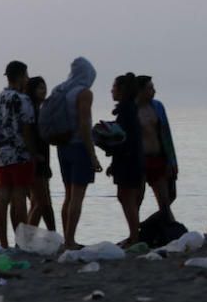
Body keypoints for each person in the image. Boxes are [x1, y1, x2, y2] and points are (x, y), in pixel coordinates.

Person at [55, 57, 102, 250]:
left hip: (62, 146)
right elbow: (84, 124)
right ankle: (70, 240)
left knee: (68, 195)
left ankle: (67, 238)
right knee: (77, 196)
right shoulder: (84, 93)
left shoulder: (61, 90)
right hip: (78, 147)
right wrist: (93, 155)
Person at [0, 60, 36, 249]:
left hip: (1, 154)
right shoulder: (22, 100)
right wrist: (33, 153)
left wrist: (0, 147)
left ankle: (3, 243)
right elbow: (27, 129)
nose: (28, 79)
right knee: (19, 197)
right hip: (19, 153)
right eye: (26, 75)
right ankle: (22, 242)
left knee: (3, 198)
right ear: (20, 76)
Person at [100, 73, 144, 247]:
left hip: (129, 161)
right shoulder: (129, 109)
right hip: (130, 160)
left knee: (127, 198)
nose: (111, 90)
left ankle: (134, 236)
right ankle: (133, 235)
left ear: (122, 90)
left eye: (114, 87)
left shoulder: (126, 110)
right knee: (127, 197)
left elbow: (124, 140)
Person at [136, 75, 178, 218]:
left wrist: (172, 161)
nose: (154, 91)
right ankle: (134, 234)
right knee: (137, 200)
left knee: (166, 201)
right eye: (150, 88)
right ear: (140, 90)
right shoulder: (132, 109)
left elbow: (166, 135)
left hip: (158, 157)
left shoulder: (157, 106)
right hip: (140, 160)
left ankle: (170, 231)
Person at [24, 76, 56, 231]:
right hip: (36, 160)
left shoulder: (39, 110)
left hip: (42, 159)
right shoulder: (32, 112)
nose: (44, 91)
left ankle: (26, 238)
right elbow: (30, 135)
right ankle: (52, 234)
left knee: (37, 202)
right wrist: (35, 154)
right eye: (40, 88)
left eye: (44, 87)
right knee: (42, 202)